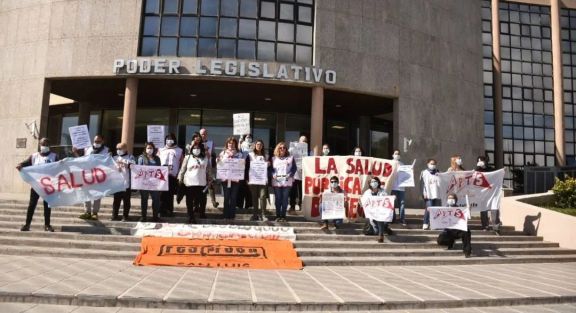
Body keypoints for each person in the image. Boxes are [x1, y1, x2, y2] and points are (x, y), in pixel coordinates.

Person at [17, 138, 57, 232]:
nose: (44, 146)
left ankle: (47, 225)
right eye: (43, 144)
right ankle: (27, 225)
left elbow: (60, 167)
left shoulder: (54, 156)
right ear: (39, 145)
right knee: (32, 205)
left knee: (47, 205)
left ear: (49, 146)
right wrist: (20, 165)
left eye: (46, 144)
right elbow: (25, 163)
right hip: (36, 185)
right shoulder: (34, 156)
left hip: (48, 186)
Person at [178, 141, 210, 223]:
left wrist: (210, 178)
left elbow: (208, 170)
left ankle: (202, 213)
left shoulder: (205, 158)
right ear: (191, 149)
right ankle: (191, 216)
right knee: (190, 200)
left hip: (201, 183)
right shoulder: (187, 157)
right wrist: (180, 179)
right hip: (190, 183)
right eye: (195, 148)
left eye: (198, 148)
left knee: (202, 200)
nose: (196, 150)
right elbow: (183, 169)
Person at [79, 135, 110, 220]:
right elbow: (81, 159)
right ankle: (87, 212)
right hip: (87, 174)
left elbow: (108, 162)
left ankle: (95, 213)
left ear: (102, 141)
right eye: (95, 141)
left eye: (99, 142)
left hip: (99, 175)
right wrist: (75, 152)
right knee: (86, 193)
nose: (96, 143)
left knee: (97, 194)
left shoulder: (106, 150)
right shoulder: (87, 149)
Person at [436, 193, 472, 258]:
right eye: (449, 198)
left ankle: (467, 251)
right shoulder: (444, 209)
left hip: (457, 230)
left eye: (452, 198)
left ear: (455, 200)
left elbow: (464, 220)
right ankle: (451, 242)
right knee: (440, 240)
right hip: (448, 231)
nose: (450, 200)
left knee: (467, 232)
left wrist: (468, 212)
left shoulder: (459, 209)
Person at [359, 177, 393, 243]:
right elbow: (363, 204)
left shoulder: (383, 191)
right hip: (372, 215)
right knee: (376, 231)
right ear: (370, 184)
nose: (374, 183)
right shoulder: (367, 192)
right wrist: (360, 201)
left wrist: (393, 199)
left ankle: (381, 236)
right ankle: (383, 229)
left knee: (380, 220)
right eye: (372, 182)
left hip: (381, 214)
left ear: (378, 182)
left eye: (375, 181)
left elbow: (387, 201)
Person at [218, 136, 245, 220]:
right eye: (229, 143)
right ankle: (225, 215)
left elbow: (242, 166)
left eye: (233, 143)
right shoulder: (223, 153)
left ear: (235, 144)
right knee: (226, 197)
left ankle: (232, 215)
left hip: (235, 180)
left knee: (233, 197)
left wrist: (242, 162)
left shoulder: (239, 154)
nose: (231, 144)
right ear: (227, 144)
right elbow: (220, 164)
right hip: (225, 179)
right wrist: (217, 160)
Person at [158, 133, 184, 217]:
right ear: (165, 140)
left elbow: (182, 164)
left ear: (174, 140)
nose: (169, 141)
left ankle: (169, 210)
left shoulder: (179, 150)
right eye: (167, 139)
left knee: (170, 194)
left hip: (173, 175)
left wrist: (179, 175)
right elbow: (156, 161)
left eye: (171, 139)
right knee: (161, 194)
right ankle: (161, 210)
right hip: (162, 175)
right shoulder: (160, 150)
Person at [271, 142, 297, 222]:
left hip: (287, 181)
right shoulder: (273, 158)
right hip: (277, 181)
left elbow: (294, 168)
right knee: (278, 199)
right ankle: (278, 215)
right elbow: (270, 169)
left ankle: (283, 216)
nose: (282, 149)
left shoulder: (290, 158)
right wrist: (273, 174)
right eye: (280, 148)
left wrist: (290, 174)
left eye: (284, 148)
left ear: (286, 149)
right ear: (277, 149)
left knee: (285, 199)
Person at [137, 142, 162, 222]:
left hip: (155, 183)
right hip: (144, 183)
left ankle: (155, 216)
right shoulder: (141, 158)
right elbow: (139, 170)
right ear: (145, 149)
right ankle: (143, 216)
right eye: (148, 148)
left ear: (154, 149)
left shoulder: (157, 158)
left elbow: (159, 170)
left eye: (151, 148)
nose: (149, 149)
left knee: (156, 199)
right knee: (144, 199)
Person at [475, 155, 500, 231]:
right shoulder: (477, 170)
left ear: (485, 161)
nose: (480, 162)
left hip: (492, 192)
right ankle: (485, 226)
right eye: (478, 161)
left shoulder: (490, 169)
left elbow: (497, 174)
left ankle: (496, 226)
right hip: (482, 193)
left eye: (481, 161)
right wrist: (478, 168)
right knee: (483, 209)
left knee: (494, 208)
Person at [111, 142, 135, 221]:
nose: (118, 150)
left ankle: (125, 216)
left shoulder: (130, 157)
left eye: (120, 148)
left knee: (126, 202)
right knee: (116, 201)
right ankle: (114, 215)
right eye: (117, 148)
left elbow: (134, 166)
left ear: (125, 149)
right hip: (117, 184)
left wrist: (125, 164)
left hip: (126, 183)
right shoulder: (114, 158)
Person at [247, 139, 269, 221]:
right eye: (257, 144)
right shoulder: (250, 155)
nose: (259, 146)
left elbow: (268, 168)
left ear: (262, 146)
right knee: (254, 197)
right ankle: (255, 215)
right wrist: (247, 179)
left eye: (260, 144)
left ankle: (263, 215)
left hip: (263, 180)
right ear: (255, 146)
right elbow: (247, 167)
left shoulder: (266, 156)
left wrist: (268, 164)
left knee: (263, 196)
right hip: (253, 180)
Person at [200, 128, 219, 209]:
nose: (203, 135)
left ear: (206, 134)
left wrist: (214, 165)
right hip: (199, 167)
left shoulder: (211, 143)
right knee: (200, 184)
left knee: (210, 183)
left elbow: (214, 154)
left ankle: (213, 201)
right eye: (202, 134)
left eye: (204, 134)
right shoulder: (196, 143)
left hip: (209, 166)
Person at [289, 135, 308, 212]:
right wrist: (293, 148)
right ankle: (292, 206)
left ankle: (301, 205)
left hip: (303, 174)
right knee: (293, 191)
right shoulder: (294, 149)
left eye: (305, 141)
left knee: (301, 191)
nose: (303, 142)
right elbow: (289, 156)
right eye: (302, 140)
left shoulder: (309, 151)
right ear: (299, 141)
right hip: (294, 173)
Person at [420, 158, 440, 230]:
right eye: (431, 164)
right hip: (428, 193)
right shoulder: (424, 172)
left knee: (435, 209)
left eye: (434, 164)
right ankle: (425, 223)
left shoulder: (437, 172)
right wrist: (423, 192)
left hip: (436, 193)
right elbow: (422, 184)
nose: (433, 165)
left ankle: (433, 224)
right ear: (428, 164)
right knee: (429, 208)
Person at [390, 149, 406, 226]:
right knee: (392, 203)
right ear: (393, 155)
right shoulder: (389, 163)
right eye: (395, 153)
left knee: (402, 203)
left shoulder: (402, 164)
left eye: (398, 154)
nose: (397, 155)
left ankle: (402, 219)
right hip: (392, 187)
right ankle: (393, 218)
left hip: (401, 187)